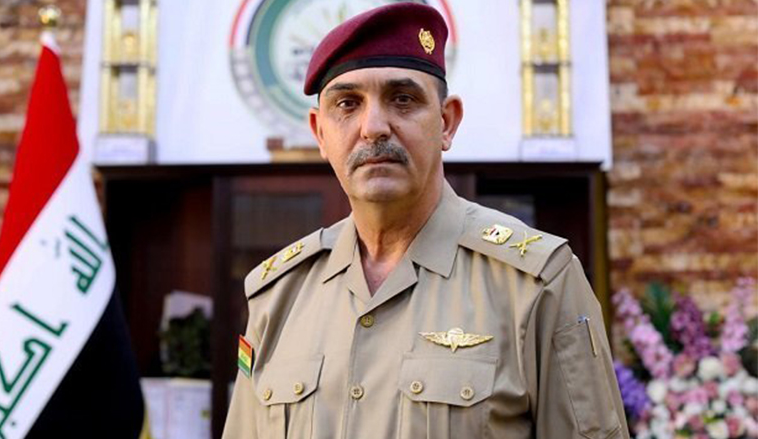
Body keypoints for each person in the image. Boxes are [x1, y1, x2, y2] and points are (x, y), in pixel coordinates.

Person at [222, 3, 629, 438]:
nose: (373, 127)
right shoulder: (278, 296)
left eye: (402, 99)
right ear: (321, 133)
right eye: (347, 104)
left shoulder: (536, 284)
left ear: (446, 122)